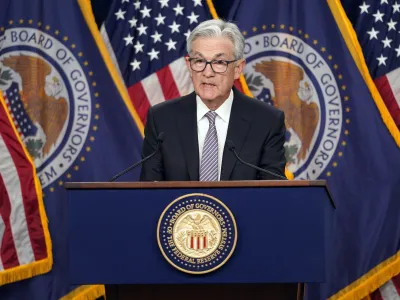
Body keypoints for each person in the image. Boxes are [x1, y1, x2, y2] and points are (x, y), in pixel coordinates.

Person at [140, 19, 286, 181]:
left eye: (219, 62)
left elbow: (273, 193)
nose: (207, 72)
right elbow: (149, 193)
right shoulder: (161, 119)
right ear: (189, 66)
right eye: (199, 61)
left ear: (238, 68)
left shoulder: (267, 121)